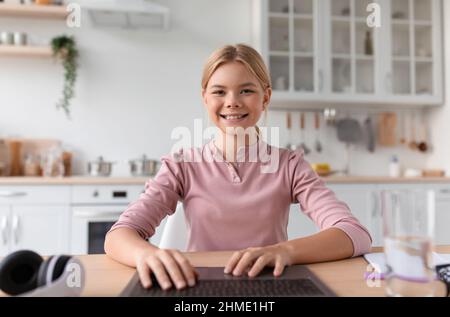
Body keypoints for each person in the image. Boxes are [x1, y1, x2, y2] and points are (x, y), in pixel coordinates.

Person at [104, 44, 372, 291]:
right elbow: (118, 235)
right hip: (200, 286)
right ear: (205, 98)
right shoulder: (181, 165)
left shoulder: (290, 165)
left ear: (265, 98)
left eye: (246, 90)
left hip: (268, 285)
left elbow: (353, 233)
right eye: (219, 91)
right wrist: (147, 253)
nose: (232, 101)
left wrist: (285, 251)